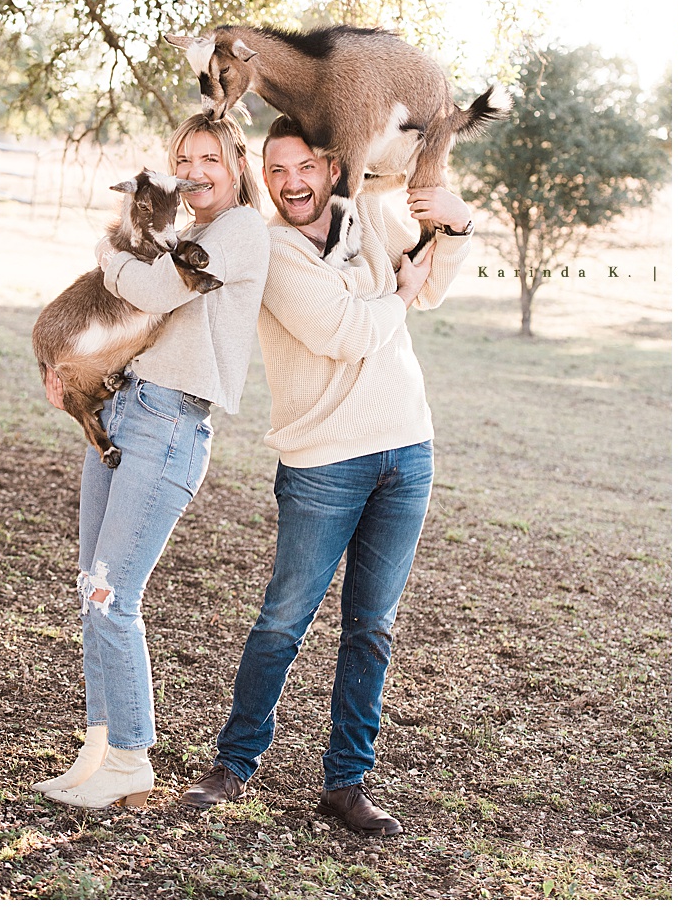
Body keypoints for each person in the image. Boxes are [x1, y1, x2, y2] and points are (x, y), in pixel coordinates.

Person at [179, 114, 473, 834]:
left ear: (334, 169)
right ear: (264, 177)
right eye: (277, 170)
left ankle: (346, 784)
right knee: (284, 621)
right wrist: (398, 294)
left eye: (306, 166)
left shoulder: (366, 217)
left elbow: (431, 287)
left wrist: (458, 226)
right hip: (323, 463)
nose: (292, 182)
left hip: (407, 450)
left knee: (372, 628)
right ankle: (233, 765)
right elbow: (346, 333)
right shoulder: (273, 250)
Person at [34, 113, 269, 809]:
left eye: (210, 158)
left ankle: (132, 758)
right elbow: (128, 309)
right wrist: (75, 373)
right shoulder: (184, 232)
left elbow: (160, 290)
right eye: (183, 159)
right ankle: (99, 746)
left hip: (170, 424)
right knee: (91, 589)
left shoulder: (239, 230)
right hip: (125, 408)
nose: (195, 172)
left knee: (113, 595)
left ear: (236, 164)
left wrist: (108, 256)